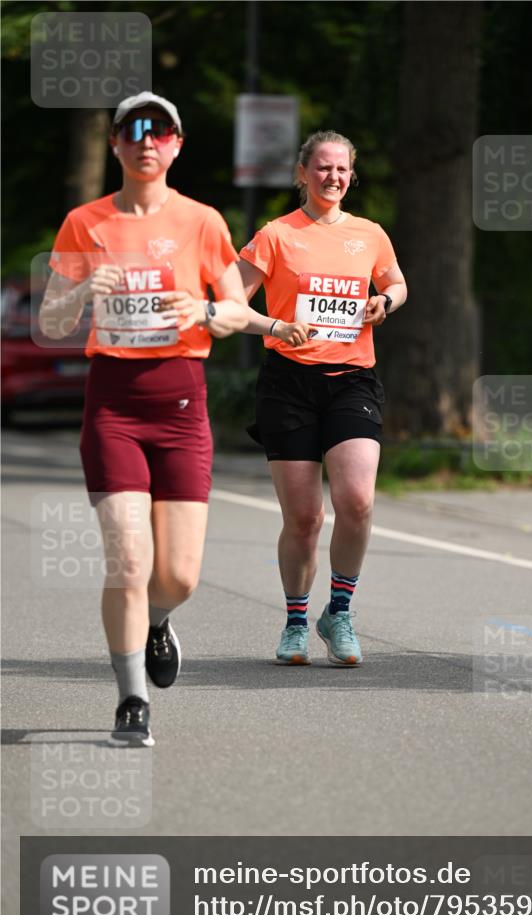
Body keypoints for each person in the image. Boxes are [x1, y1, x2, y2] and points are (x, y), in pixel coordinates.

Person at [40, 92, 248, 746]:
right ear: (115, 145)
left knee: (178, 574)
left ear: (177, 144)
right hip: (113, 403)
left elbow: (239, 309)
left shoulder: (203, 221)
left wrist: (204, 312)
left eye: (158, 131)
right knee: (128, 560)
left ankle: (158, 621)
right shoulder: (85, 222)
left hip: (182, 402)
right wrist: (79, 292)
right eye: (132, 131)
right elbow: (49, 323)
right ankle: (131, 701)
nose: (145, 141)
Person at [237, 130, 407, 667]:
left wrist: (385, 301)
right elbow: (229, 304)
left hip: (352, 379)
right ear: (302, 173)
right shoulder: (275, 235)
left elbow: (398, 284)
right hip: (288, 381)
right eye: (322, 168)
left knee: (356, 502)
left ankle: (339, 612)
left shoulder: (369, 234)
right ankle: (294, 622)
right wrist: (276, 324)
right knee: (305, 518)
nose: (332, 177)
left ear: (351, 175)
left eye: (341, 170)